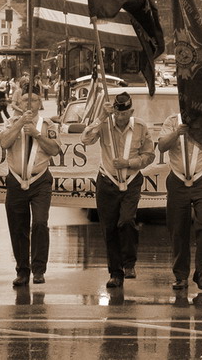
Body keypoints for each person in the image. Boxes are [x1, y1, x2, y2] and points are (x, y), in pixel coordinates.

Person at [80, 92, 155, 288]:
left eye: (124, 114)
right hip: (108, 180)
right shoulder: (105, 123)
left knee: (127, 220)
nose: (120, 118)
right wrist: (102, 117)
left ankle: (129, 263)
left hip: (131, 180)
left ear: (131, 111)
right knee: (109, 228)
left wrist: (129, 163)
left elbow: (149, 155)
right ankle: (115, 273)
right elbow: (85, 140)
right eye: (117, 114)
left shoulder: (140, 127)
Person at [158, 113, 202, 291]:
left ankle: (201, 272)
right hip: (177, 178)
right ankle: (180, 276)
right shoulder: (172, 120)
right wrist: (176, 133)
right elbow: (161, 147)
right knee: (178, 228)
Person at [0, 83, 60, 287]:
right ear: (18, 102)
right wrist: (19, 125)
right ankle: (22, 270)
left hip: (39, 180)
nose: (30, 103)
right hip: (16, 180)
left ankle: (39, 269)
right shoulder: (10, 122)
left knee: (40, 223)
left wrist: (36, 133)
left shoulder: (48, 124)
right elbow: (4, 143)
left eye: (34, 99)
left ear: (40, 102)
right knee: (18, 228)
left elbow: (54, 150)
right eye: (25, 99)